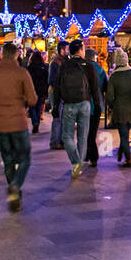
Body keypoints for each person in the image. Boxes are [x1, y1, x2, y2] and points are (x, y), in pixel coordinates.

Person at [0, 42, 38, 212]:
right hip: (18, 123)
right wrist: (24, 101)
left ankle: (15, 195)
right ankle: (16, 185)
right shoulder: (21, 73)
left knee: (8, 160)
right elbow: (33, 99)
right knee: (25, 157)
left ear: (1, 55)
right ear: (16, 55)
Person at [51, 39, 98, 179]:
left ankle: (75, 162)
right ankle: (79, 163)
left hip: (69, 104)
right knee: (83, 136)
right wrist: (98, 104)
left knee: (67, 137)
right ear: (81, 50)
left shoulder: (64, 65)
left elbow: (57, 88)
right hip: (85, 104)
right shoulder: (88, 66)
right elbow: (95, 88)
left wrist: (55, 106)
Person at [103, 48, 131, 167]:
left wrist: (110, 106)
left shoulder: (114, 76)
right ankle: (121, 152)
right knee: (125, 133)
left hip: (119, 109)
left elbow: (110, 96)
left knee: (123, 134)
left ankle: (128, 159)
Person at [85, 47, 109, 167]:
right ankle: (92, 156)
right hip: (96, 103)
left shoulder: (82, 68)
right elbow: (106, 86)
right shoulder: (100, 70)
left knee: (85, 131)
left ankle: (87, 154)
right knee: (92, 132)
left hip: (83, 104)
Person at [47, 40, 69, 150]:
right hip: (56, 94)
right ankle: (55, 142)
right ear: (62, 50)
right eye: (67, 49)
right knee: (57, 118)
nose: (68, 51)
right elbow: (52, 80)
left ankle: (60, 141)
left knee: (62, 118)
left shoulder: (63, 61)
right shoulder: (56, 62)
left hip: (61, 93)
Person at [26, 50, 49, 133]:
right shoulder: (45, 66)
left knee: (32, 107)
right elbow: (47, 79)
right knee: (39, 107)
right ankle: (37, 123)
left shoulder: (29, 68)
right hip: (41, 90)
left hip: (32, 90)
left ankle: (34, 121)